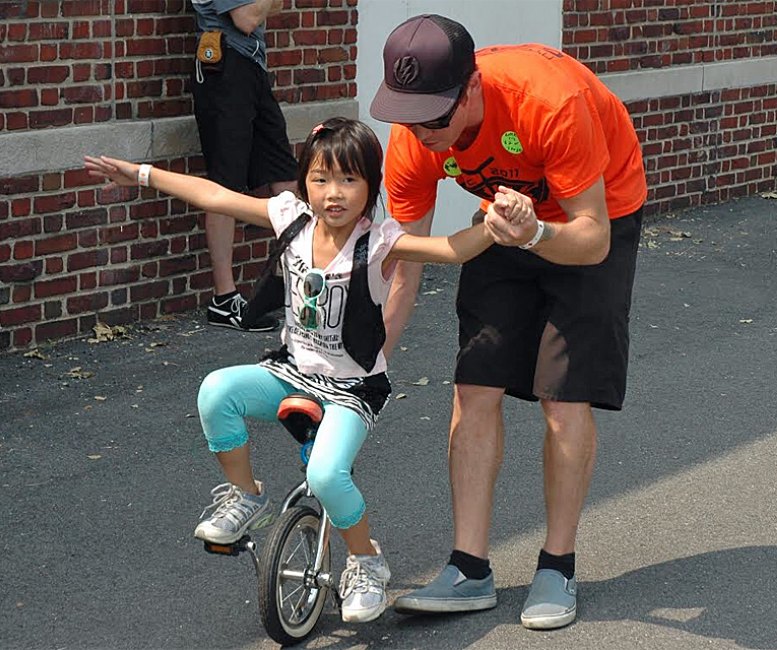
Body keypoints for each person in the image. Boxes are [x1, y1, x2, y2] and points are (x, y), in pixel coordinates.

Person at [84, 117, 530, 623]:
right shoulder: (290, 217)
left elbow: (449, 249)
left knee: (325, 475)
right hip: (290, 372)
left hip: (351, 389)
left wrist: (494, 225)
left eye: (348, 181)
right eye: (320, 180)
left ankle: (365, 561)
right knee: (216, 392)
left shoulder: (379, 241)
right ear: (303, 184)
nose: (332, 194)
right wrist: (142, 174)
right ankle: (246, 496)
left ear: (370, 187)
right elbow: (213, 196)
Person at [369, 14, 647, 630]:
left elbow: (593, 238)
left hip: (588, 219)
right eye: (408, 116)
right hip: (502, 216)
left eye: (435, 118)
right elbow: (404, 262)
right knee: (475, 385)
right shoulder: (415, 137)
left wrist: (536, 233)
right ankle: (469, 569)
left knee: (563, 398)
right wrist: (372, 359)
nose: (423, 133)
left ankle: (557, 566)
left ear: (471, 90)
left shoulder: (550, 102)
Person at [190, 0, 297, 331]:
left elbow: (272, 8)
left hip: (252, 65)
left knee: (286, 176)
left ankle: (295, 284)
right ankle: (224, 300)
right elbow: (246, 17)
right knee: (225, 185)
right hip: (224, 67)